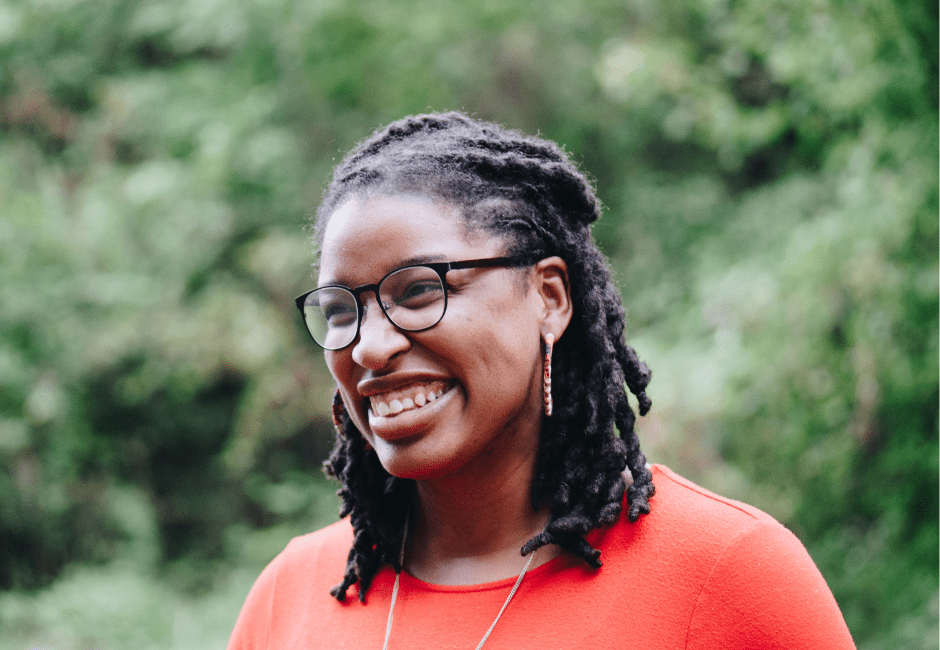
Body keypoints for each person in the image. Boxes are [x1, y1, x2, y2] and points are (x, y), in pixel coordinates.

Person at [227, 112, 856, 649]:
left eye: (419, 292)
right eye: (342, 310)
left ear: (549, 297)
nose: (371, 345)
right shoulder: (290, 600)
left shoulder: (727, 574)